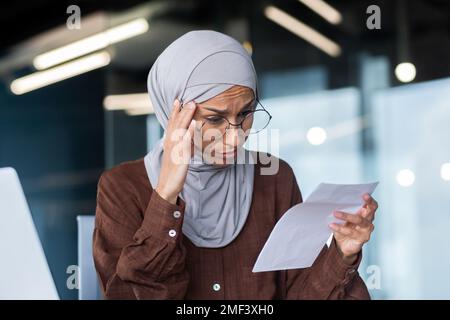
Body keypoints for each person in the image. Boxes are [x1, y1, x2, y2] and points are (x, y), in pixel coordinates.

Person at [93, 30, 378, 299]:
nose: (235, 138)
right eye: (215, 119)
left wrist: (343, 252)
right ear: (173, 112)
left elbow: (299, 291)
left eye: (245, 113)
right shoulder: (122, 187)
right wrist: (165, 196)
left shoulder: (274, 178)